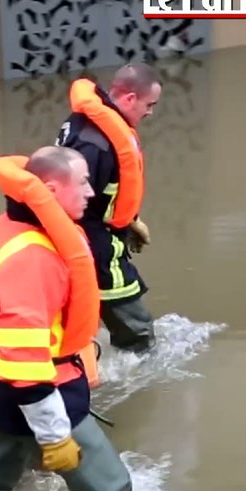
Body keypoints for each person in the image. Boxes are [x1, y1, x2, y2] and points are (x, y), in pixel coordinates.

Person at [0, 147, 132, 491]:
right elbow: (25, 361)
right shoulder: (35, 257)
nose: (92, 192)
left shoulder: (10, 227)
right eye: (82, 183)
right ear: (50, 189)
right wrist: (55, 435)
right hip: (35, 392)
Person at [56, 63, 162, 352]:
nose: (150, 112)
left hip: (94, 233)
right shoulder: (97, 145)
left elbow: (100, 193)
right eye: (149, 104)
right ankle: (140, 383)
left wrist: (131, 221)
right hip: (93, 241)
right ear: (129, 99)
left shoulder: (89, 124)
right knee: (137, 330)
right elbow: (73, 204)